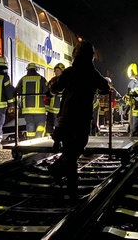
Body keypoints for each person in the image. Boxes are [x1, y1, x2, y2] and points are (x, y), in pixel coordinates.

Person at [47, 40, 110, 198]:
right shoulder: (92, 73)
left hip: (66, 117)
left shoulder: (70, 72)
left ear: (75, 54)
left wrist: (53, 84)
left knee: (70, 150)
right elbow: (105, 88)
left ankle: (59, 172)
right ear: (91, 56)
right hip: (82, 117)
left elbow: (55, 88)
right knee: (77, 148)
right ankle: (71, 188)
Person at [15, 63, 48, 139]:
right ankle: (38, 137)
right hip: (40, 109)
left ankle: (30, 140)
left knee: (30, 124)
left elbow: (17, 91)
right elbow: (47, 91)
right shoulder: (41, 79)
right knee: (41, 123)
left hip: (27, 109)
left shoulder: (23, 79)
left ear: (27, 69)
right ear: (36, 69)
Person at [45, 63, 65, 138]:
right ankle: (48, 135)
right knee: (50, 121)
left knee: (58, 123)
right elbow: (48, 91)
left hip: (60, 106)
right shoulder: (52, 80)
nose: (56, 72)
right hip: (51, 106)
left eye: (57, 70)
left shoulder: (64, 80)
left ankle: (59, 137)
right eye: (55, 71)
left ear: (62, 71)